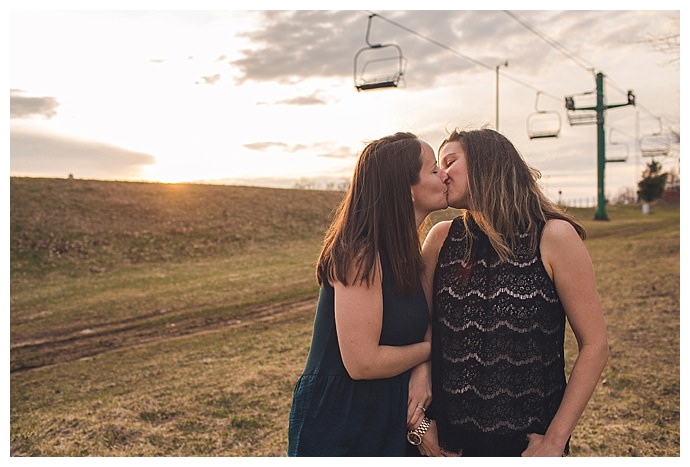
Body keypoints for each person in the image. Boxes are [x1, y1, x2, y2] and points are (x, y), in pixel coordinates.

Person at [412, 128, 609, 457]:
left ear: (488, 162)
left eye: (450, 161)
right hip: (447, 444)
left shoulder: (553, 236)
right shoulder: (440, 238)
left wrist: (554, 441)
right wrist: (421, 424)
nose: (441, 174)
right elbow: (423, 327)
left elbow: (595, 345)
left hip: (526, 446)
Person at [288, 131, 448, 456]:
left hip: (386, 413)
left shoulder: (406, 254)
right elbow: (362, 363)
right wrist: (432, 350)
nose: (444, 175)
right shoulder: (360, 252)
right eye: (433, 169)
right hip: (341, 421)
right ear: (407, 190)